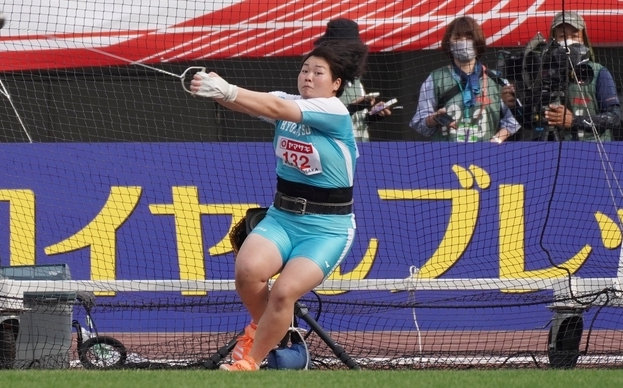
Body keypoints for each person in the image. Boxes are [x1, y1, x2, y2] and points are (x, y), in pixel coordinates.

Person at [190, 40, 367, 371]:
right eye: (304, 70)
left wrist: (227, 89)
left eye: (318, 72)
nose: (308, 77)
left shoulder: (333, 111)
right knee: (247, 273)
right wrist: (213, 90)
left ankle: (252, 360)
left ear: (336, 84)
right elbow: (252, 106)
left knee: (284, 292)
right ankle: (278, 335)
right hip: (282, 218)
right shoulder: (287, 102)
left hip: (327, 228)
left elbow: (272, 108)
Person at [409, 16, 520, 142]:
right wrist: (434, 118)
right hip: (444, 155)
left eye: (469, 37)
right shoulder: (435, 79)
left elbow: (515, 118)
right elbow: (419, 121)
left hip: (486, 156)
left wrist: (497, 139)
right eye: (457, 37)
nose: (463, 41)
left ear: (478, 41)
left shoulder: (497, 80)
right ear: (449, 43)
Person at [528, 11, 621, 141]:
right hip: (548, 148)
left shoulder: (598, 72)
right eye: (563, 36)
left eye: (574, 35)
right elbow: (528, 121)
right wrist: (514, 105)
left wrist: (574, 121)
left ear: (583, 39)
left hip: (591, 149)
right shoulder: (541, 72)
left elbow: (615, 117)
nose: (569, 41)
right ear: (553, 39)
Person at [315, 18, 392, 142]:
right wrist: (352, 108)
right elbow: (322, 119)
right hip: (332, 148)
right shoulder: (320, 79)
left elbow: (355, 122)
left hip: (360, 147)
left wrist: (372, 117)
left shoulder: (356, 81)